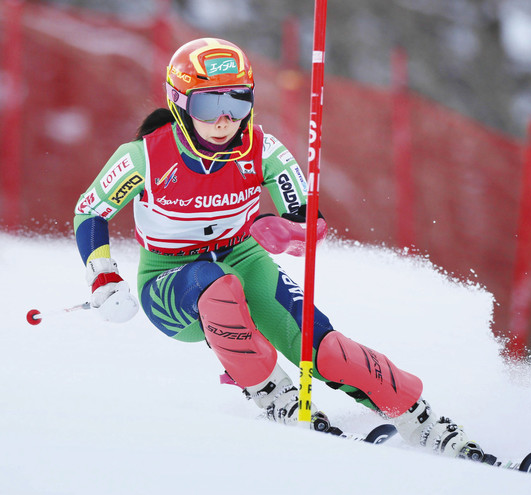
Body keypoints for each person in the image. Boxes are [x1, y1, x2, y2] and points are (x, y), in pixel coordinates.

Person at [74, 38, 486, 461]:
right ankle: (278, 398)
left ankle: (423, 421)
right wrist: (103, 277)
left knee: (324, 348)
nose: (224, 119)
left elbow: (310, 218)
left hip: (243, 256)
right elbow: (90, 212)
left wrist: (290, 231)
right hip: (168, 279)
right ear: (180, 105)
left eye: (237, 102)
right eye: (207, 106)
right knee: (215, 285)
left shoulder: (261, 150)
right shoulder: (145, 157)